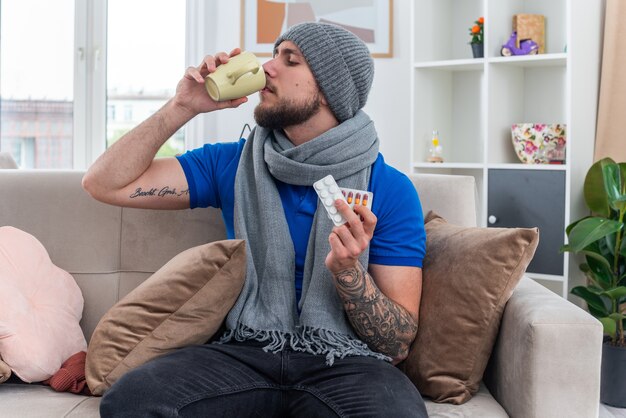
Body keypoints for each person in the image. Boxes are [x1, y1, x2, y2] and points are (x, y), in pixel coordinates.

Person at [84, 22, 428, 418]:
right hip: (244, 350)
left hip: (345, 362)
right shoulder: (233, 163)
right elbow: (103, 184)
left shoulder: (389, 188)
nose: (268, 67)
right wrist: (183, 106)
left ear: (332, 89)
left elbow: (397, 342)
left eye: (290, 60)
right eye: (274, 54)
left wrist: (349, 273)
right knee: (133, 401)